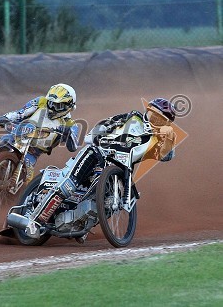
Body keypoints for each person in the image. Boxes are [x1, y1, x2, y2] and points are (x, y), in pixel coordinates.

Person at [22, 97, 177, 234]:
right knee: (69, 186)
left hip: (122, 166)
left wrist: (169, 142)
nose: (154, 121)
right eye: (153, 116)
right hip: (97, 152)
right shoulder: (133, 117)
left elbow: (166, 156)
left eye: (160, 120)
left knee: (107, 203)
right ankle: (35, 220)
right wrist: (100, 133)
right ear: (147, 111)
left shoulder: (158, 140)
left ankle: (79, 224)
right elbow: (108, 122)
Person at [0, 83, 80, 189]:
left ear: (69, 106)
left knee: (25, 187)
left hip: (32, 153)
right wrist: (6, 118)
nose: (53, 107)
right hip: (12, 139)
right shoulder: (41, 102)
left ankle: (6, 211)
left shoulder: (70, 124)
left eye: (58, 105)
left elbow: (73, 146)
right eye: (51, 103)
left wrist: (68, 133)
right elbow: (20, 113)